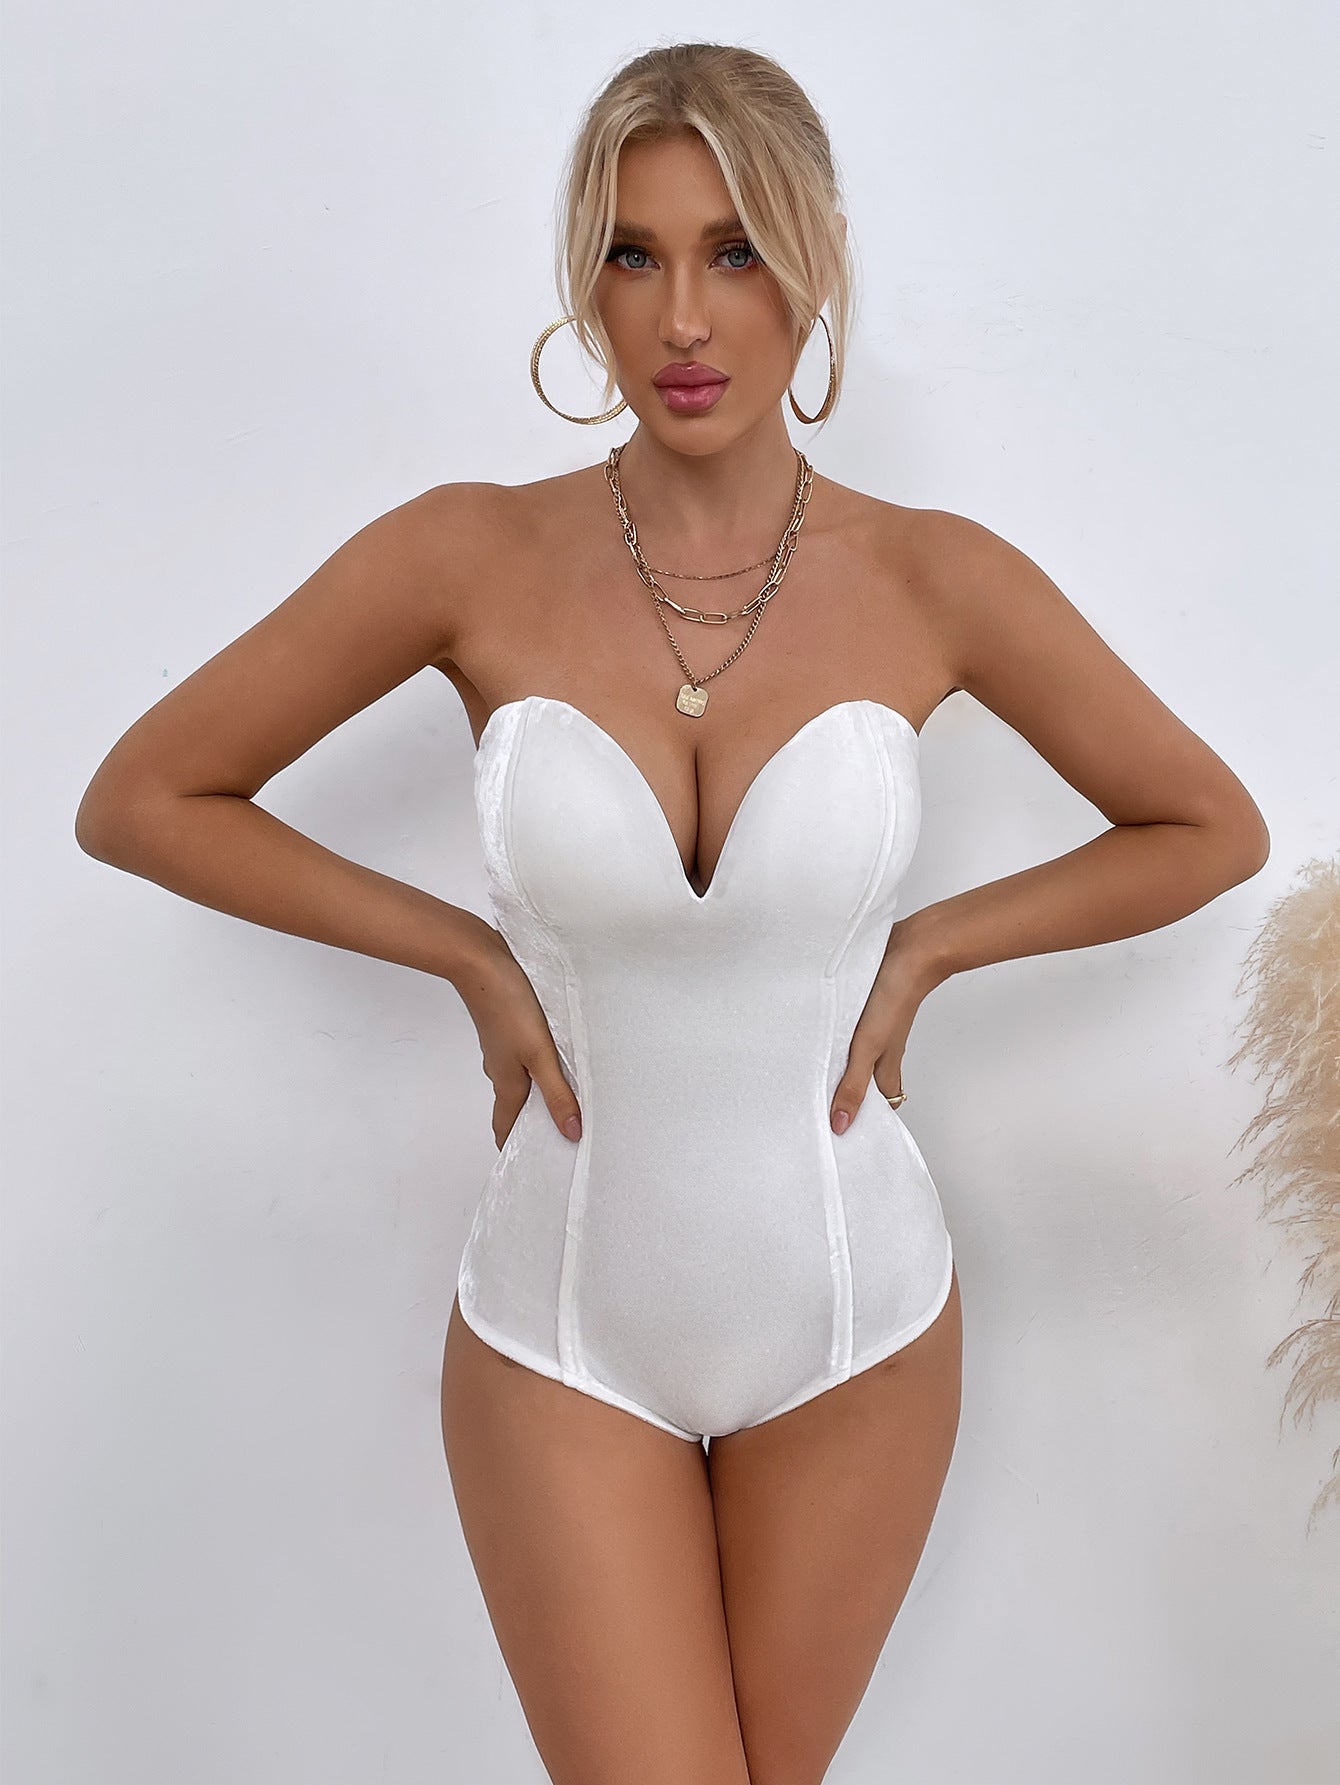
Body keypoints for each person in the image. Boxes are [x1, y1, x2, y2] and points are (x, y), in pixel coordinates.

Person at [75, 39, 1270, 1785]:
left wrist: (931, 947)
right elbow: (143, 796)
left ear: (815, 264)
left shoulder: (935, 577)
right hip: (565, 1329)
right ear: (588, 279)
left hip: (860, 1323)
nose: (685, 317)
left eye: (736, 252)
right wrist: (465, 953)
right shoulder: (467, 556)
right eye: (634, 255)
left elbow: (1208, 825)